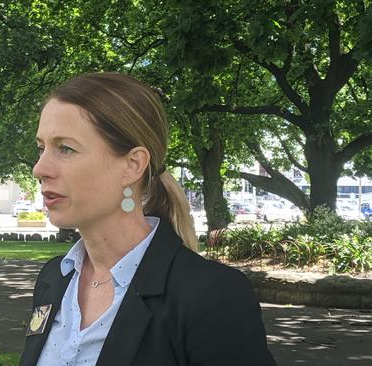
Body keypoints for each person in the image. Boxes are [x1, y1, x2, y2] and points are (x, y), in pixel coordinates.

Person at [21, 73, 276, 365]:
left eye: (65, 148)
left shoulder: (211, 296)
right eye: (41, 148)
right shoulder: (54, 279)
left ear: (133, 165)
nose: (39, 168)